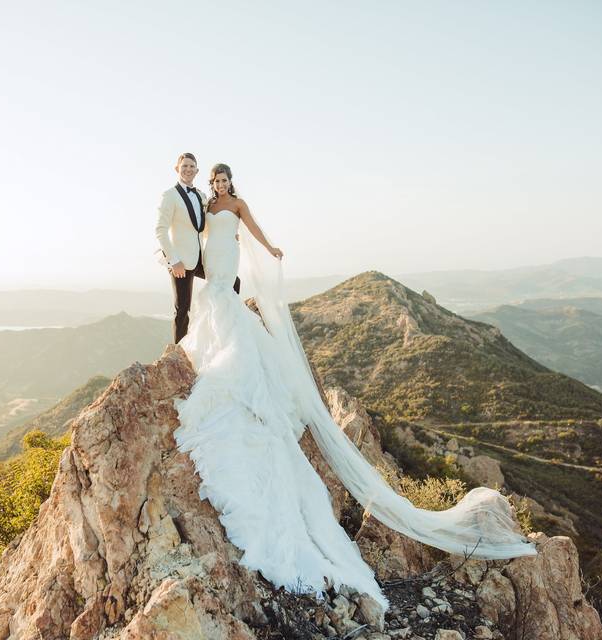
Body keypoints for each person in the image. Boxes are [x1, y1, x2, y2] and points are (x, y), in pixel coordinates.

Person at [172, 163, 537, 622]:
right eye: (217, 181)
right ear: (212, 184)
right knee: (217, 308)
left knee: (228, 314)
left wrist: (271, 248)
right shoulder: (207, 206)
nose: (221, 186)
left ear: (231, 183)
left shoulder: (237, 206)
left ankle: (237, 377)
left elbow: (257, 232)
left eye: (225, 181)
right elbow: (191, 232)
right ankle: (215, 360)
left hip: (229, 266)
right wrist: (172, 254)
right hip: (214, 265)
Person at [154, 152, 239, 343]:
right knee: (183, 308)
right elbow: (160, 230)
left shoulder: (201, 196)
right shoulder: (169, 195)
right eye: (184, 166)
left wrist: (229, 233)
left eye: (192, 166)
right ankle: (178, 353)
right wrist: (174, 261)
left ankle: (230, 329)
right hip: (181, 262)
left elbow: (203, 228)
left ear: (197, 170)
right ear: (177, 169)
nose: (188, 169)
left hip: (201, 259)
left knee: (234, 283)